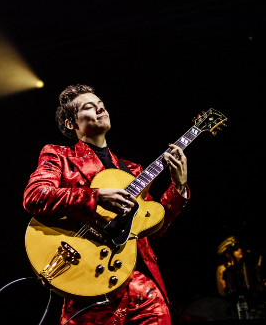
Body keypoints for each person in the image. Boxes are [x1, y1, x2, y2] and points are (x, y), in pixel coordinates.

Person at [23, 84, 190, 325]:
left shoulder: (132, 170)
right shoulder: (59, 155)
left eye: (100, 104)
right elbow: (35, 195)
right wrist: (96, 197)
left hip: (142, 291)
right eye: (89, 107)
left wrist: (179, 187)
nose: (100, 108)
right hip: (87, 283)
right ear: (71, 124)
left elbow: (154, 228)